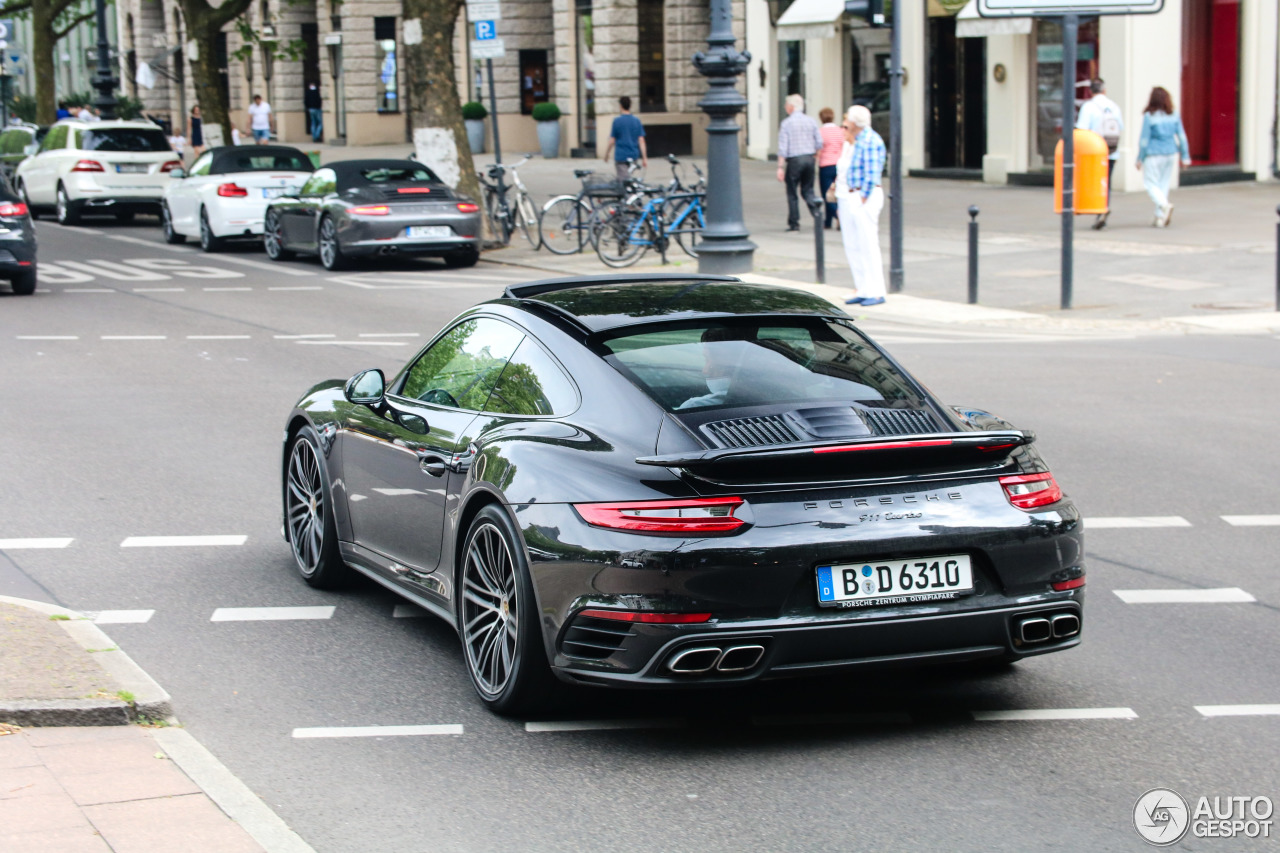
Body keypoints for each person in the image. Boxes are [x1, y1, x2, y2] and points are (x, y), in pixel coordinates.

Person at [841, 105, 887, 307]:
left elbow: (871, 172)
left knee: (868, 244)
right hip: (857, 194)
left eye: (848, 120)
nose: (846, 123)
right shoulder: (862, 140)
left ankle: (876, 291)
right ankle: (864, 288)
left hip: (863, 195)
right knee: (857, 244)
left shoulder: (868, 140)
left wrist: (863, 197)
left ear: (855, 122)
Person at [1135, 86, 1191, 228]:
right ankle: (1160, 217)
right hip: (1170, 153)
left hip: (1153, 153)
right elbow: (1182, 137)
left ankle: (1164, 205)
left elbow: (1144, 140)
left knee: (1150, 184)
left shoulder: (1149, 116)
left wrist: (1140, 158)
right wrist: (1185, 157)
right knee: (1163, 184)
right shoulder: (1174, 115)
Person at [1075, 78, 1123, 230]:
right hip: (1111, 150)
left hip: (1093, 152)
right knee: (1105, 182)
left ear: (1090, 91)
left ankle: (1097, 209)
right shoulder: (1114, 106)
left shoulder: (1088, 107)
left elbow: (1081, 130)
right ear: (1104, 90)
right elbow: (1120, 127)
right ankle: (1103, 208)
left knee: (1093, 182)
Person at [776, 93, 822, 231]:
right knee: (808, 189)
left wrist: (780, 167)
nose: (785, 107)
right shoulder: (811, 121)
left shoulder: (786, 123)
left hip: (794, 160)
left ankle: (794, 222)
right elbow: (819, 142)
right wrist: (815, 157)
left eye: (786, 105)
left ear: (791, 107)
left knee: (792, 192)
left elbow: (783, 147)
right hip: (809, 158)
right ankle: (817, 213)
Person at [602, 96, 647, 182]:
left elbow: (612, 140)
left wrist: (607, 154)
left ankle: (628, 195)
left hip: (621, 156)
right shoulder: (636, 121)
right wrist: (644, 158)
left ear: (620, 106)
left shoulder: (617, 121)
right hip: (633, 155)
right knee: (628, 179)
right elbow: (641, 140)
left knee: (624, 182)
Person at [817, 107, 844, 229]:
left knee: (826, 194)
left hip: (826, 165)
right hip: (838, 165)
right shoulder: (840, 131)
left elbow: (818, 149)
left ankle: (838, 214)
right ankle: (827, 222)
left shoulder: (821, 132)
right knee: (836, 193)